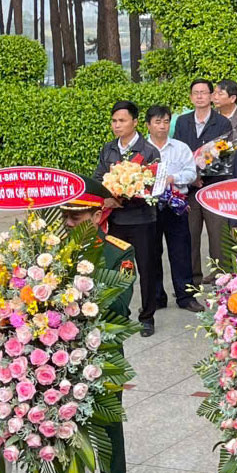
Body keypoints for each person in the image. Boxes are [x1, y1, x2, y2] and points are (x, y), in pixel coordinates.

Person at [58, 179, 135, 473]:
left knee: (108, 433)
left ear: (96, 216)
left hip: (103, 356)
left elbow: (119, 306)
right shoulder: (52, 251)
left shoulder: (119, 251)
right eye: (65, 216)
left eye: (75, 217)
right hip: (59, 357)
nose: (68, 223)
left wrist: (84, 280)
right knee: (60, 427)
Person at [94, 101, 162, 336]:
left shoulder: (149, 151)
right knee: (118, 268)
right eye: (114, 121)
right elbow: (98, 177)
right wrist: (108, 198)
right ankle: (118, 312)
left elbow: (154, 186)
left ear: (134, 122)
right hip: (116, 221)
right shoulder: (108, 149)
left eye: (122, 121)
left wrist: (130, 195)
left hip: (143, 220)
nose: (117, 125)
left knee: (146, 268)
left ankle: (147, 317)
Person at [174, 79, 234, 286]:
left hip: (214, 187)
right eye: (195, 93)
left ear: (211, 96)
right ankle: (190, 280)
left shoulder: (223, 123)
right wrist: (192, 176)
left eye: (204, 92)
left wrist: (204, 175)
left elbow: (224, 156)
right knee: (189, 235)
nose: (199, 96)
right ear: (191, 97)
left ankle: (223, 279)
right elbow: (177, 154)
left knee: (218, 235)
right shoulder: (182, 122)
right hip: (189, 189)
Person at [144, 105, 201, 313]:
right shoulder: (141, 149)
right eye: (157, 122)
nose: (162, 126)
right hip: (149, 207)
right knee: (152, 251)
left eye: (166, 122)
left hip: (176, 205)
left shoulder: (180, 147)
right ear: (148, 125)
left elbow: (191, 173)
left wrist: (172, 179)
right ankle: (157, 296)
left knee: (181, 250)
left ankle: (186, 296)